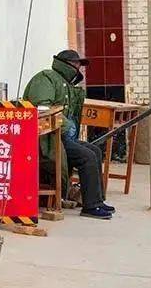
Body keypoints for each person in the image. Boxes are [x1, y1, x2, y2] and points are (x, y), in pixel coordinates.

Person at [23, 49, 114, 220]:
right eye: (76, 64)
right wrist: (65, 125)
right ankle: (91, 207)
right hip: (46, 140)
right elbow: (41, 108)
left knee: (94, 151)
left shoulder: (68, 85)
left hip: (61, 137)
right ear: (65, 64)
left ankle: (97, 200)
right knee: (86, 156)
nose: (79, 68)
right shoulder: (46, 78)